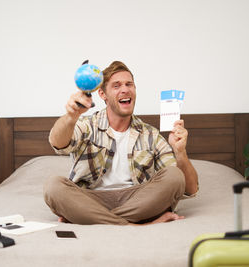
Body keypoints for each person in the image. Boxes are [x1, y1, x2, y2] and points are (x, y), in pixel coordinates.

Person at [44, 61, 198, 225]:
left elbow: (190, 189)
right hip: (91, 198)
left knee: (174, 176)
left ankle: (94, 219)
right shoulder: (87, 125)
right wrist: (71, 116)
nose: (125, 89)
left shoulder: (151, 134)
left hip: (137, 199)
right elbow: (58, 144)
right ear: (103, 94)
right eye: (116, 86)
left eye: (129, 84)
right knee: (53, 187)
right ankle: (136, 224)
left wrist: (180, 152)